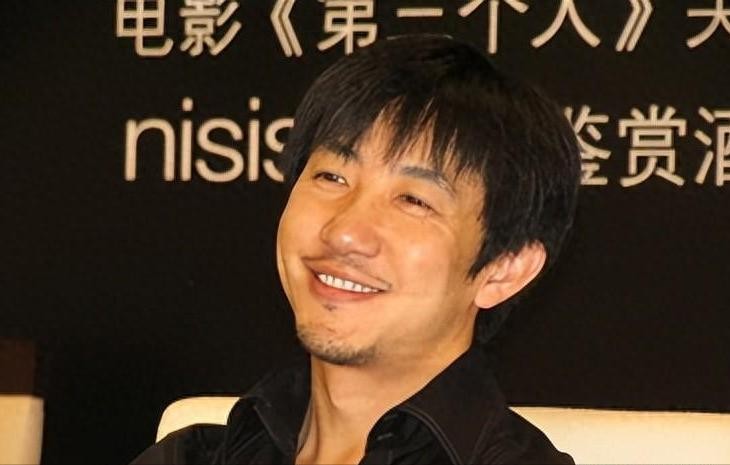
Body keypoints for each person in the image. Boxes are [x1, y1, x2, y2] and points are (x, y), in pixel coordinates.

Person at [132, 34, 580, 464]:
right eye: (332, 177)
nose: (345, 232)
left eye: (413, 201)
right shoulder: (192, 456)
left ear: (504, 269)